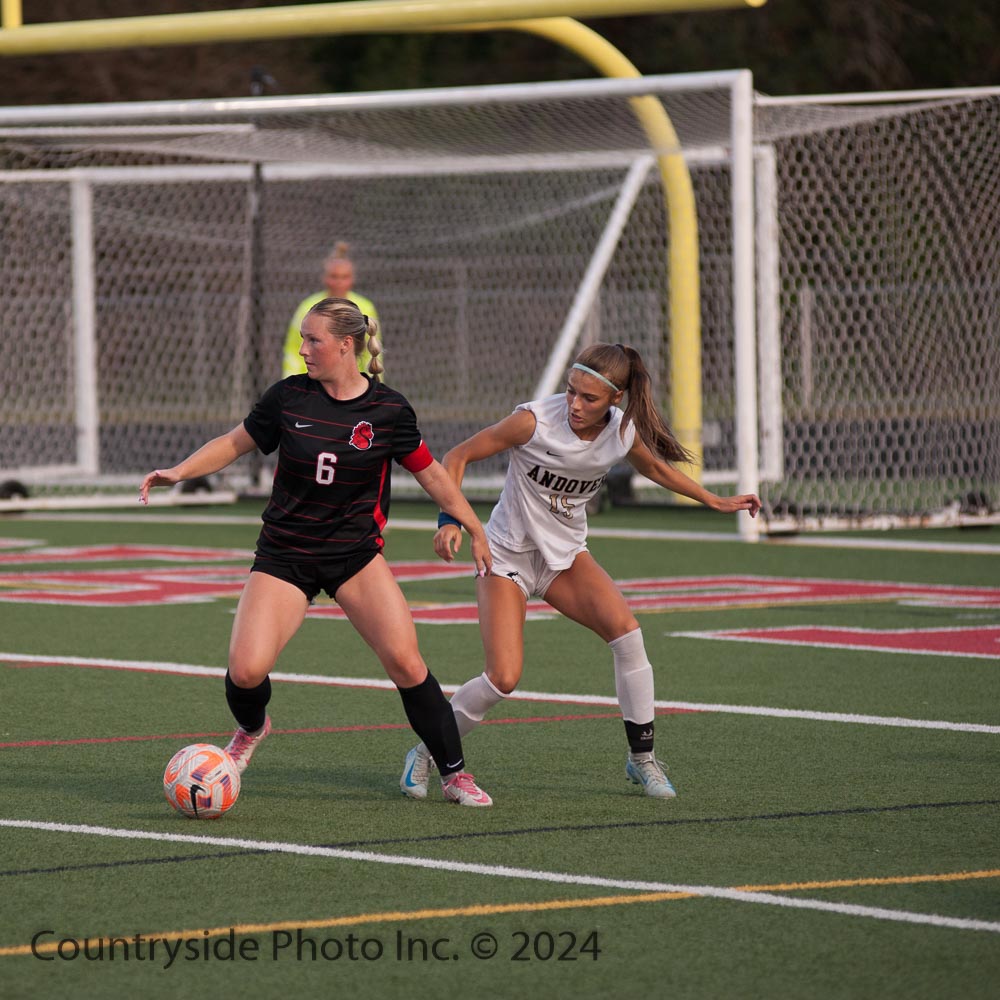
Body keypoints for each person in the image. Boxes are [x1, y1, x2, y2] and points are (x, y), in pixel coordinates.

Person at [141, 297, 493, 807]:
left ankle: (454, 774)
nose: (303, 349)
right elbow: (233, 443)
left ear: (346, 345)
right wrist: (178, 472)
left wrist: (473, 526)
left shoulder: (389, 409)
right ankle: (252, 729)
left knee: (406, 663)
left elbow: (433, 474)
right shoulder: (288, 397)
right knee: (245, 671)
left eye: (313, 340)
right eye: (303, 339)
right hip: (285, 554)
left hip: (355, 556)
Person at [400, 342, 761, 801]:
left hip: (565, 558)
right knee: (503, 678)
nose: (574, 403)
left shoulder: (621, 432)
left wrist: (714, 500)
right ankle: (426, 753)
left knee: (628, 635)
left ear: (615, 398)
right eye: (571, 391)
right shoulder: (533, 421)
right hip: (507, 555)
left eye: (588, 398)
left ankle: (642, 760)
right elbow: (456, 457)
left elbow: (656, 468)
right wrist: (449, 521)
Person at [283, 242, 380, 379]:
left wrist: (373, 382)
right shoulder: (308, 307)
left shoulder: (365, 307)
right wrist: (293, 383)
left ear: (352, 279)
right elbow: (293, 349)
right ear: (325, 278)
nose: (339, 282)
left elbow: (373, 349)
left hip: (352, 382)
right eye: (334, 276)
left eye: (344, 277)